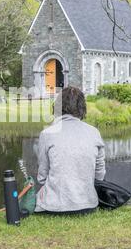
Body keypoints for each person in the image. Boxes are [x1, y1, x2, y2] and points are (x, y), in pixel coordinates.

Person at [35, 86, 106, 215]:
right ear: (82, 107)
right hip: (88, 205)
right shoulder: (94, 132)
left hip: (55, 207)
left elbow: (42, 177)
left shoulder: (47, 134)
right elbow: (100, 175)